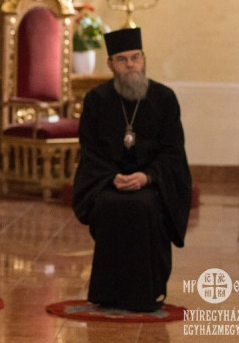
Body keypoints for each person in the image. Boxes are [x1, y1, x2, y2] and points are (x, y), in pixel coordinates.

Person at [71, 28, 192, 312]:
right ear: (111, 64)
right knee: (107, 204)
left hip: (151, 183)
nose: (130, 65)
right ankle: (107, 292)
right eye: (122, 59)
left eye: (135, 58)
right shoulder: (97, 100)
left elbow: (173, 151)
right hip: (110, 181)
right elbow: (90, 150)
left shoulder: (164, 98)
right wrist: (111, 177)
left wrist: (147, 176)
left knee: (144, 205)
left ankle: (148, 291)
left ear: (143, 59)